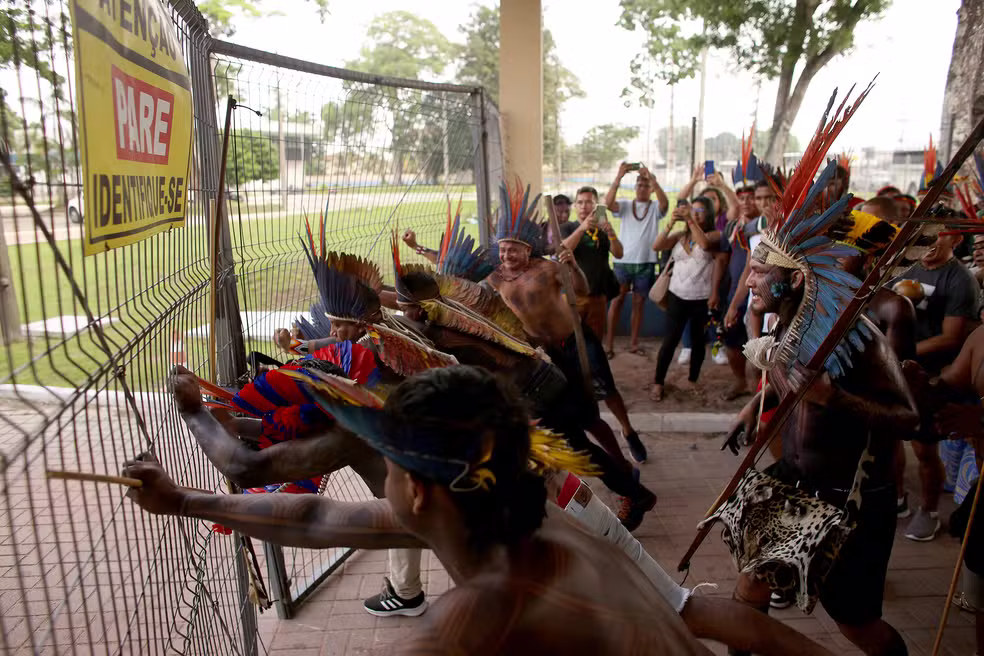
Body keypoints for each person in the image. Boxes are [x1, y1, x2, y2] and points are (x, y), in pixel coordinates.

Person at [128, 365, 837, 656]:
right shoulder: (520, 519)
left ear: (420, 491)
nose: (384, 484)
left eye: (391, 468)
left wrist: (192, 419)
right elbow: (319, 521)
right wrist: (183, 500)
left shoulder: (483, 609)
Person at [720, 106, 917, 654]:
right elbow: (792, 387)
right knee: (748, 590)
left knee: (857, 625)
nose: (750, 278)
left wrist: (836, 397)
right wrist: (750, 410)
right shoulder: (792, 322)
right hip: (793, 481)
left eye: (761, 270)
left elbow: (907, 418)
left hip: (848, 496)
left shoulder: (868, 333)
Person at [486, 183, 650, 468]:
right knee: (576, 407)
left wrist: (572, 266)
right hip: (544, 351)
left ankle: (628, 430)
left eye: (513, 250)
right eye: (503, 250)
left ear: (527, 250)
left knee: (605, 388)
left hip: (575, 338)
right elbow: (457, 283)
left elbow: (582, 288)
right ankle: (601, 459)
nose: (507, 256)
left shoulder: (546, 267)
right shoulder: (495, 278)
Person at [892, 227, 980, 540]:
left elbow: (952, 336)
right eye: (924, 234)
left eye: (939, 235)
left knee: (925, 448)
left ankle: (928, 509)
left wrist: (904, 356)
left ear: (956, 240)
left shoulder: (959, 279)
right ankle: (898, 495)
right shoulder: (906, 267)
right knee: (888, 442)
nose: (929, 242)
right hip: (902, 372)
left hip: (932, 372)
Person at [650, 196, 716, 402]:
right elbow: (657, 246)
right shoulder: (680, 235)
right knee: (670, 341)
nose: (695, 213)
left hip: (701, 299)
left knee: (698, 343)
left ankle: (692, 380)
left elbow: (704, 244)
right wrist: (671, 222)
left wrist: (689, 220)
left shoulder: (714, 235)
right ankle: (658, 382)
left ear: (709, 214)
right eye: (692, 209)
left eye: (700, 211)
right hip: (677, 295)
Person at [604, 162, 668, 357]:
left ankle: (633, 343)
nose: (642, 188)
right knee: (617, 301)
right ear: (635, 188)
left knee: (639, 303)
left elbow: (665, 203)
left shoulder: (656, 207)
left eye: (646, 185)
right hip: (623, 262)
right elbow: (607, 204)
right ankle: (609, 345)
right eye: (639, 184)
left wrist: (653, 179)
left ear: (650, 188)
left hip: (646, 262)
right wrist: (619, 176)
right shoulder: (625, 205)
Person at [560, 186, 622, 342]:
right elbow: (562, 249)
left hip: (597, 296)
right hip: (574, 295)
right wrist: (582, 228)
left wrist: (611, 234)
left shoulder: (601, 231)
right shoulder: (568, 227)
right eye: (580, 202)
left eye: (588, 202)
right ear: (574, 206)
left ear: (596, 206)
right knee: (570, 340)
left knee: (595, 342)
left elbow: (619, 253)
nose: (583, 206)